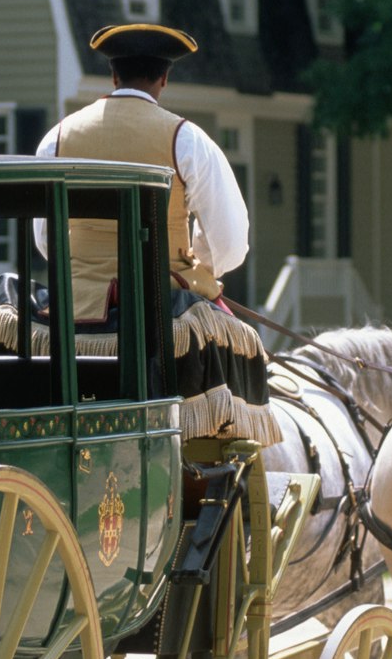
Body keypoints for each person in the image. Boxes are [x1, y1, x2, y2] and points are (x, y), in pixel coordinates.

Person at [31, 23, 277, 444]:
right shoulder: (186, 139)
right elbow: (231, 244)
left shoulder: (56, 138)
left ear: (113, 75)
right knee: (243, 341)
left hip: (73, 308)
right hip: (160, 308)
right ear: (164, 77)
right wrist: (197, 266)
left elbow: (45, 240)